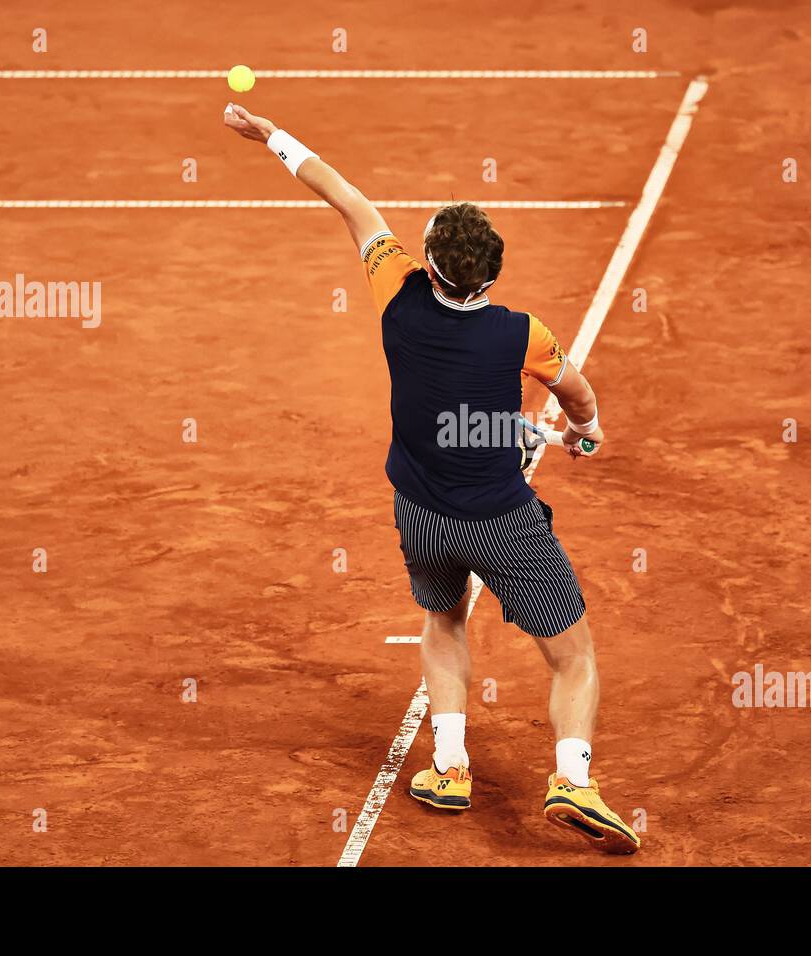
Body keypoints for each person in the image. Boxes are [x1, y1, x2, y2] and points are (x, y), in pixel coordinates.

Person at [224, 103, 639, 854]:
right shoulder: (523, 333)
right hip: (503, 520)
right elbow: (575, 394)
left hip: (419, 512)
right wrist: (583, 428)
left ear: (431, 263)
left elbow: (344, 195)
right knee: (573, 655)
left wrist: (267, 134)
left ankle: (449, 768)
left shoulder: (395, 290)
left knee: (443, 620)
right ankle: (574, 780)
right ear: (488, 275)